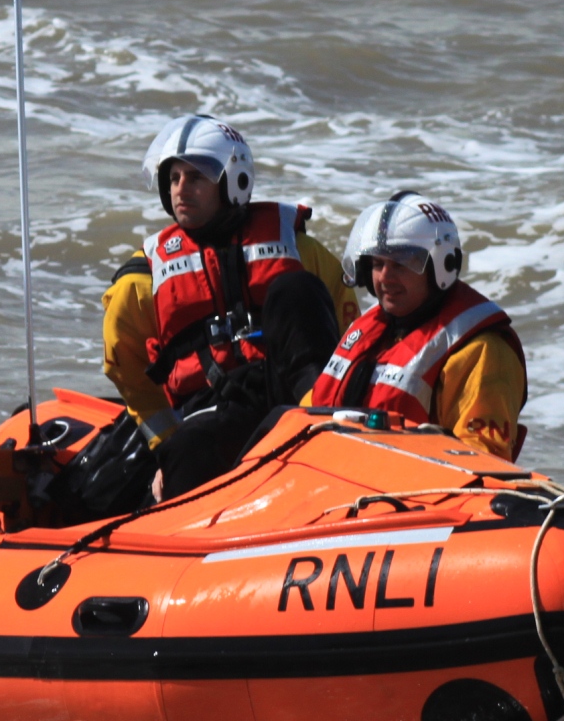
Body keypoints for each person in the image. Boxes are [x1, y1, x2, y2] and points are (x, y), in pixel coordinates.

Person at [100, 116, 354, 498]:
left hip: (292, 397)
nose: (181, 190)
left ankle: (327, 428)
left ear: (233, 183)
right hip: (212, 408)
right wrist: (165, 442)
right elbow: (125, 366)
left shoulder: (298, 249)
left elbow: (348, 324)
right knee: (187, 449)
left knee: (295, 288)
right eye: (173, 179)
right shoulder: (143, 277)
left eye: (196, 178)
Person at [311, 191, 527, 460]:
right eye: (377, 263)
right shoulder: (372, 329)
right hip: (332, 472)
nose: (385, 277)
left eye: (401, 264)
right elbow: (308, 411)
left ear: (441, 268)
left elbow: (482, 461)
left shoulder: (483, 351)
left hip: (402, 493)